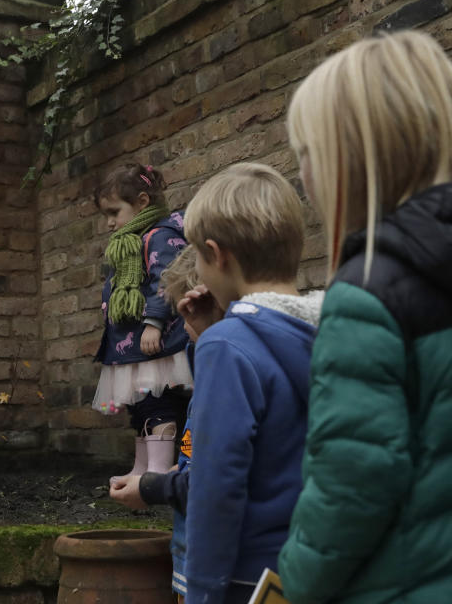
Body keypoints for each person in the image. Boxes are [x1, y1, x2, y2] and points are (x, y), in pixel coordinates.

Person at [278, 30, 452, 603]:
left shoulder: (367, 292)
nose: (303, 176)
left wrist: (294, 586)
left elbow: (352, 483)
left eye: (306, 154)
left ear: (349, 162)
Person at [179, 163, 323, 604]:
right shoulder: (335, 332)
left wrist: (201, 591)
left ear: (216, 254)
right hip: (309, 566)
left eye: (198, 261)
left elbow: (216, 485)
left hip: (245, 578)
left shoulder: (227, 347)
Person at [110, 244, 222, 603]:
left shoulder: (224, 372)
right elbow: (194, 451)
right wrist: (164, 474)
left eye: (185, 316)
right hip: (191, 559)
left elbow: (215, 479)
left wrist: (151, 489)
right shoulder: (206, 364)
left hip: (213, 565)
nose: (182, 329)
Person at [92, 162, 191, 476]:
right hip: (131, 347)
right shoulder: (127, 244)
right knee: (140, 407)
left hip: (154, 345)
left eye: (114, 212)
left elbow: (167, 279)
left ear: (143, 202)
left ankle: (159, 471)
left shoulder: (158, 237)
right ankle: (141, 468)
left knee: (157, 403)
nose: (109, 223)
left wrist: (154, 322)